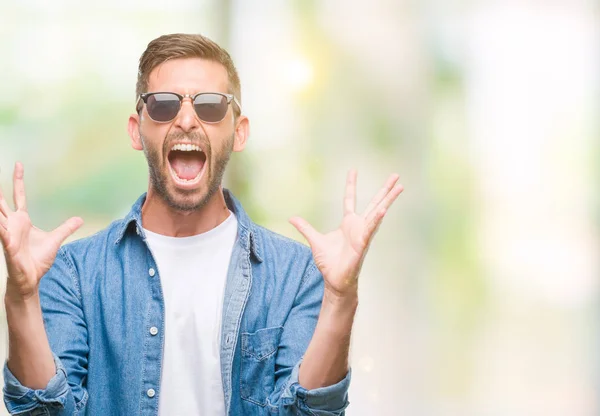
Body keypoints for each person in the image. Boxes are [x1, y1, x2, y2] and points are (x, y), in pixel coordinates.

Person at [0, 33, 403, 415]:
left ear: (239, 132)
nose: (187, 120)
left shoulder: (297, 274)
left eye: (210, 105)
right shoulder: (73, 273)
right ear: (136, 130)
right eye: (163, 104)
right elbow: (43, 411)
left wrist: (341, 298)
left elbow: (308, 412)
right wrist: (20, 296)